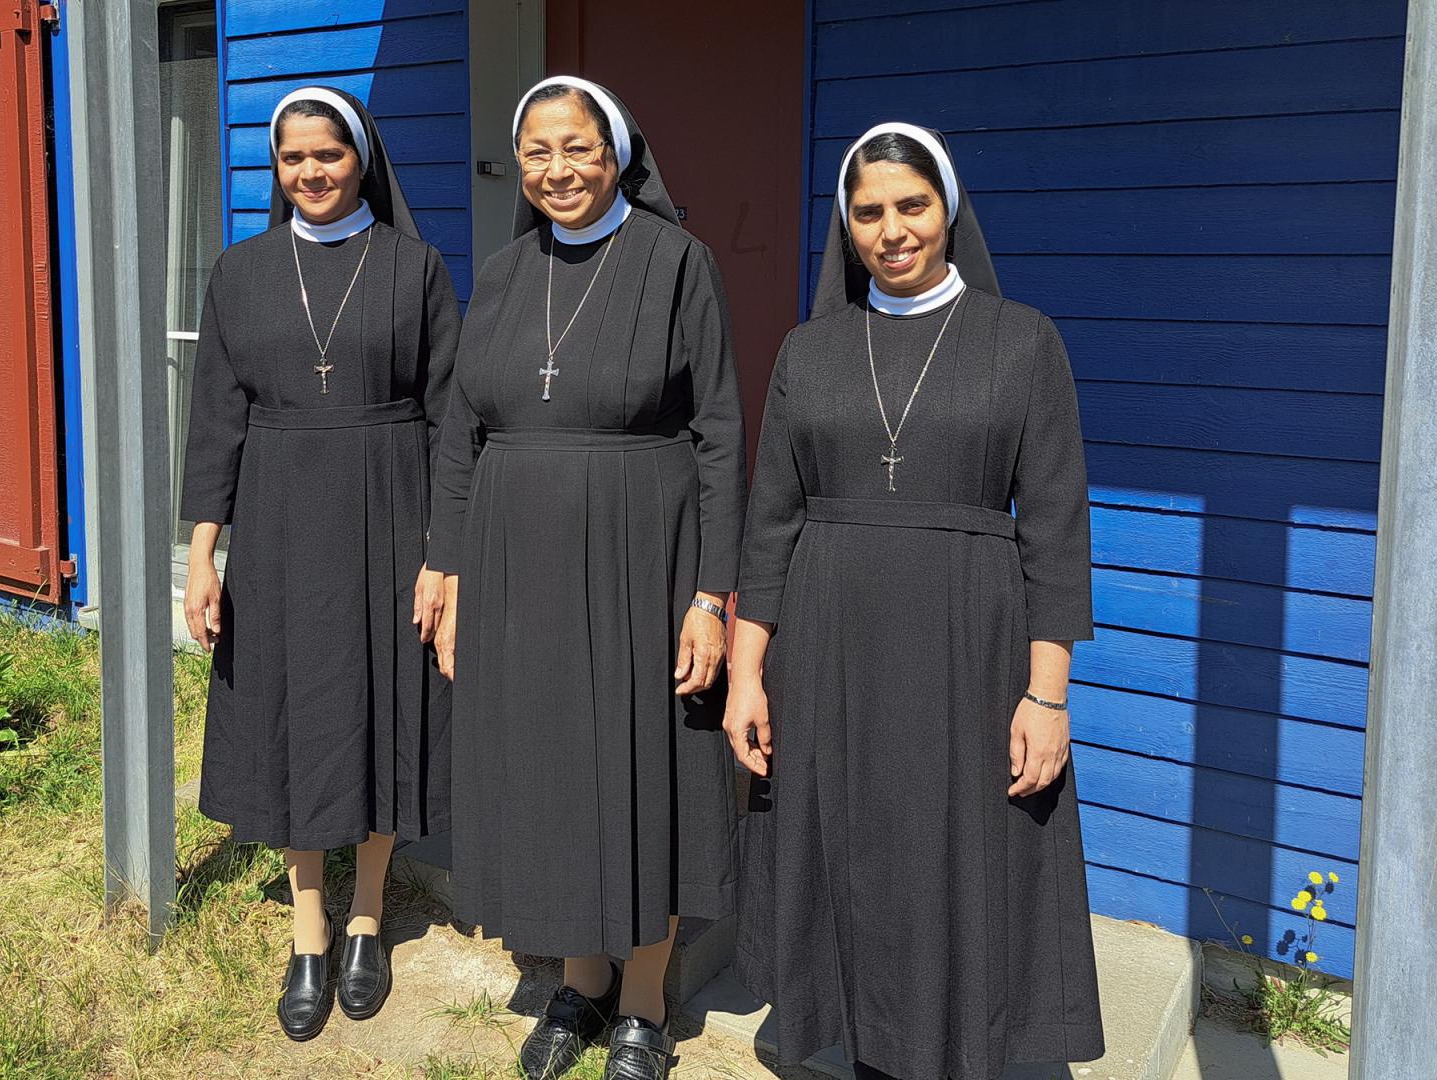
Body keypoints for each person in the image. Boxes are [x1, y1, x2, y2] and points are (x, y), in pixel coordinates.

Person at [726, 122, 1104, 1080]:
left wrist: (1047, 695)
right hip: (831, 646)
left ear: (949, 210)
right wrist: (746, 674)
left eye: (911, 206)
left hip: (968, 647)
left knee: (955, 857)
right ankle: (868, 1047)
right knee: (852, 855)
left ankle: (958, 1046)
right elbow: (770, 522)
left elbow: (1056, 531)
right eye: (868, 213)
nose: (891, 230)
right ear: (845, 227)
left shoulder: (1023, 342)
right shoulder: (810, 351)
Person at [424, 76, 746, 1080]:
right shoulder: (504, 272)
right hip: (516, 567)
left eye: (577, 148)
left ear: (617, 155)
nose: (557, 169)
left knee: (643, 761)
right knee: (554, 762)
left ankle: (644, 1000)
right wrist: (448, 565)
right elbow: (461, 433)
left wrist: (710, 595)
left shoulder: (676, 260)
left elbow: (720, 432)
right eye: (537, 151)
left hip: (645, 555)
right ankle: (580, 978)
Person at [179, 85, 459, 1042]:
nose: (311, 173)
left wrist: (444, 554)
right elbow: (215, 420)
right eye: (293, 157)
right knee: (295, 709)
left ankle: (368, 915)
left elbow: (450, 418)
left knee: (383, 702)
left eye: (328, 155)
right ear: (277, 167)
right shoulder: (243, 270)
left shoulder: (414, 268)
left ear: (361, 160)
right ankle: (309, 929)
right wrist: (203, 555)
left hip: (392, 510)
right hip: (280, 519)